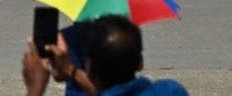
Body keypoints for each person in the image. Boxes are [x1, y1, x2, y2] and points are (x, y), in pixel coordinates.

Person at [23, 15, 188, 95]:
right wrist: (72, 71)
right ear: (140, 62)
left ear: (89, 66)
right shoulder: (170, 90)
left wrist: (35, 89)